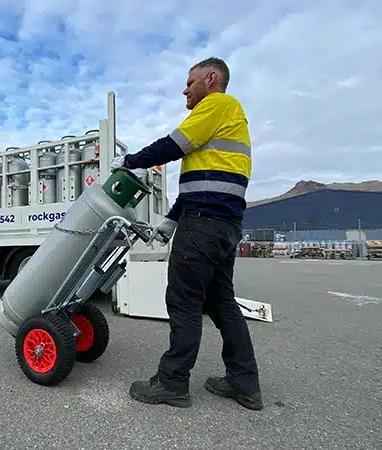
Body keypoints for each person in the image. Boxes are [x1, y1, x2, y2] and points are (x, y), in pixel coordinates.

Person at [111, 57, 263, 410]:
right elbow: (205, 183)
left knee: (183, 301)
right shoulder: (230, 120)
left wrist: (130, 160)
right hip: (224, 225)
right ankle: (245, 383)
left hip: (204, 224)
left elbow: (171, 145)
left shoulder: (217, 105)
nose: (185, 89)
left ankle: (172, 382)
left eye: (190, 81)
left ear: (211, 79)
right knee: (220, 302)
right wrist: (171, 220)